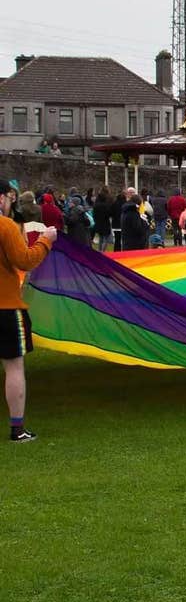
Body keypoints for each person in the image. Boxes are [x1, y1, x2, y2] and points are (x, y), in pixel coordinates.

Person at [0, 179, 58, 441]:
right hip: (6, 306)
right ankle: (17, 428)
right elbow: (25, 260)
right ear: (3, 198)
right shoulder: (5, 227)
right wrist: (45, 241)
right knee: (14, 367)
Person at [92, 187, 113, 252]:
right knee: (105, 238)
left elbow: (94, 212)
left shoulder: (96, 202)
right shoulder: (106, 203)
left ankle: (99, 250)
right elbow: (109, 213)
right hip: (105, 222)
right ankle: (103, 251)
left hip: (98, 222)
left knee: (101, 238)